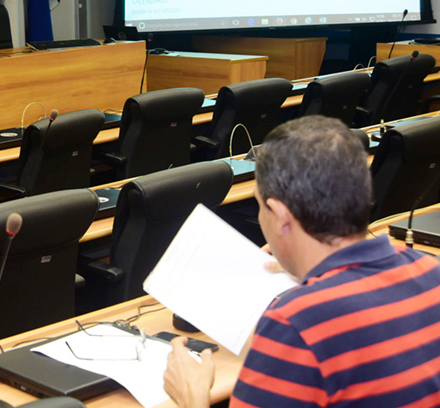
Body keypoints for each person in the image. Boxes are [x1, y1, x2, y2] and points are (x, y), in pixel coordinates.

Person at [163, 116, 440, 408]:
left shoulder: (295, 323)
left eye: (260, 206)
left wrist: (191, 396)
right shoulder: (430, 272)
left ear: (280, 216)